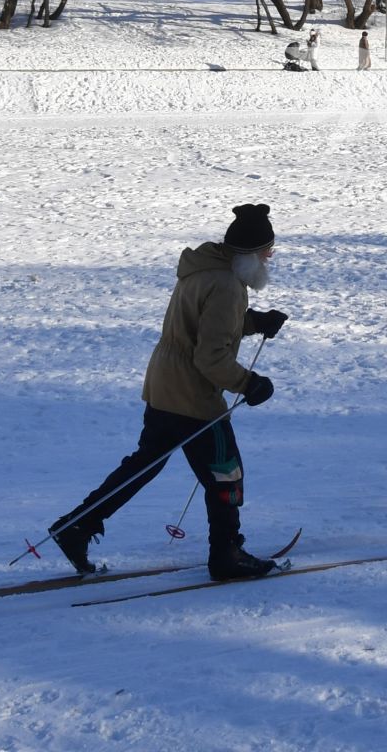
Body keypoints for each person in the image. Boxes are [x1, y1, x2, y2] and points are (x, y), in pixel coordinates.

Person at [47, 204, 287, 581]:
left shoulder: (205, 268)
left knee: (142, 466)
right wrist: (250, 383)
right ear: (250, 254)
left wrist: (255, 322)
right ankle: (227, 555)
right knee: (226, 476)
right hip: (194, 398)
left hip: (163, 386)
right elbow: (210, 357)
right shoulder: (227, 286)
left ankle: (76, 526)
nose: (269, 258)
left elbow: (203, 326)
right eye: (266, 251)